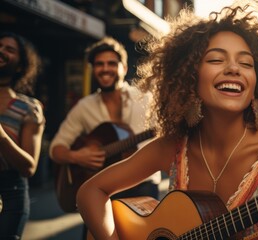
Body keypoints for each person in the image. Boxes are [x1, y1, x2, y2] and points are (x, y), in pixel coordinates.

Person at [77, 3, 258, 240]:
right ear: (190, 78)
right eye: (217, 59)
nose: (233, 68)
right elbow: (91, 191)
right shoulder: (174, 148)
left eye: (246, 64)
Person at [49, 37, 161, 235]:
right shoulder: (84, 107)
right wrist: (77, 156)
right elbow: (56, 149)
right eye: (99, 64)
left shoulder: (145, 98)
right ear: (93, 69)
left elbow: (165, 134)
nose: (105, 68)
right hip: (101, 188)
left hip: (142, 184)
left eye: (111, 63)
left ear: (124, 68)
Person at [0, 32, 45, 240]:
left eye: (10, 49)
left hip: (10, 193)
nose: (1, 50)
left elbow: (29, 167)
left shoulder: (29, 108)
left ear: (20, 65)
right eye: (0, 46)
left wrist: (1, 136)